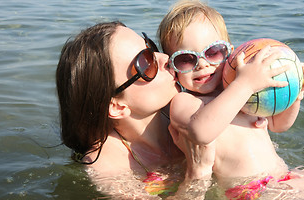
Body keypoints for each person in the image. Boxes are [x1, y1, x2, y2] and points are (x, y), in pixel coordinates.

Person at [157, 0, 304, 199]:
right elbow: (201, 132)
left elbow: (278, 125)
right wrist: (244, 84)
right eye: (186, 59)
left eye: (213, 52)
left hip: (283, 179)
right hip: (254, 191)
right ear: (173, 67)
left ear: (230, 52)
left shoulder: (236, 92)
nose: (202, 64)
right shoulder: (185, 102)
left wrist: (295, 97)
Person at [56, 21, 216, 199]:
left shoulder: (186, 108)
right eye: (147, 62)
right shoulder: (107, 167)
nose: (165, 58)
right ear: (116, 107)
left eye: (151, 47)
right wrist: (198, 173)